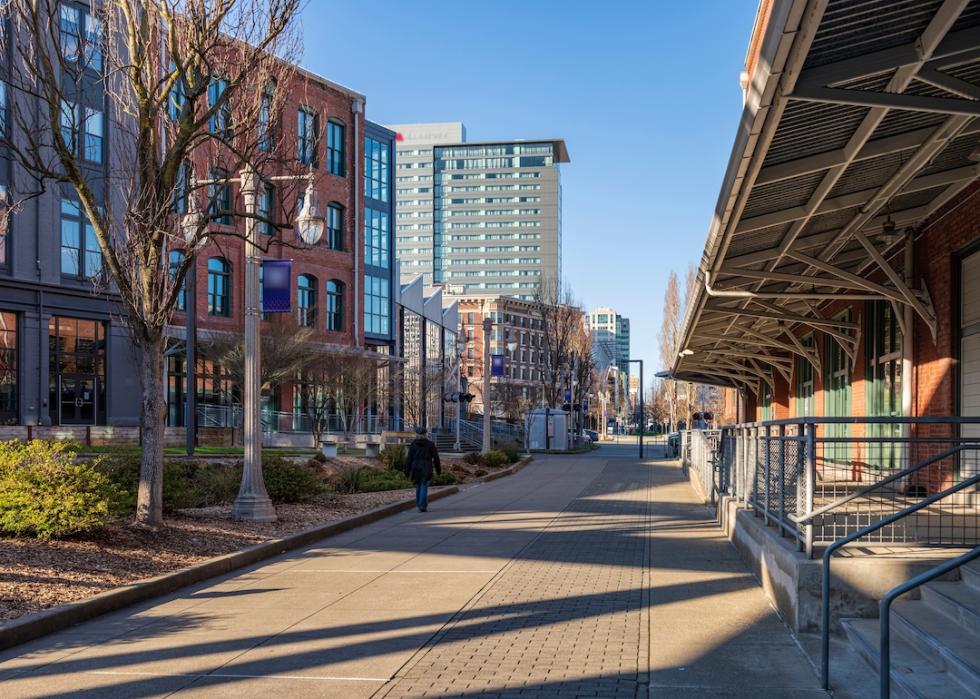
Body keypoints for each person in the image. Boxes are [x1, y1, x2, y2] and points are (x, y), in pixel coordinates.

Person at [407, 425, 441, 512]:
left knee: (418, 485)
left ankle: (419, 504)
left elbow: (409, 459)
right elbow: (436, 458)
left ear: (416, 434)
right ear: (425, 434)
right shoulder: (430, 444)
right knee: (424, 485)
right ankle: (422, 505)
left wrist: (407, 471)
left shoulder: (413, 444)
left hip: (415, 467)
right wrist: (438, 470)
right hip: (426, 466)